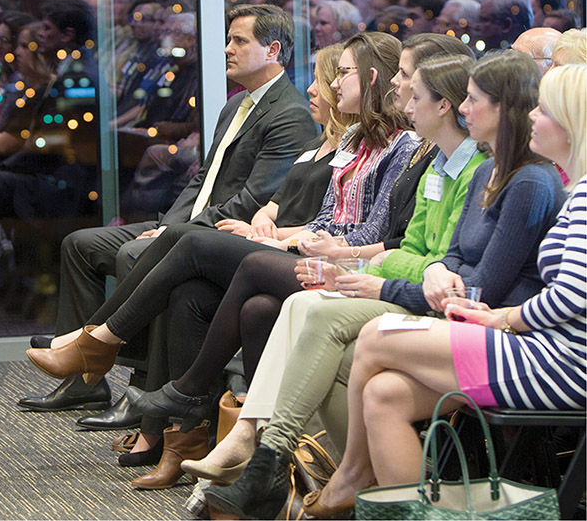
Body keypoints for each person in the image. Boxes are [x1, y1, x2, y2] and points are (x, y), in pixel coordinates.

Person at [28, 33, 415, 487]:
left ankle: (108, 345)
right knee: (201, 293)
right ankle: (190, 440)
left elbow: (370, 234)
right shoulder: (355, 139)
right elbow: (324, 215)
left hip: (339, 267)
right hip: (309, 252)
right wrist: (285, 234)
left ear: (369, 79)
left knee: (191, 242)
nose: (324, 85)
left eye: (341, 73)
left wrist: (288, 242)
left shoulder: (399, 145)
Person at [201, 51, 566, 519]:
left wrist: (382, 283)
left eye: (473, 100)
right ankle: (320, 471)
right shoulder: (483, 173)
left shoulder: (528, 183)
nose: (464, 108)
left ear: (503, 108)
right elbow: (448, 258)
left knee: (331, 329)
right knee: (367, 379)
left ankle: (306, 465)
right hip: (454, 310)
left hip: (492, 331)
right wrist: (428, 271)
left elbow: (480, 290)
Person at [18, 4, 315, 415]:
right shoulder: (236, 105)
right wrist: (171, 226)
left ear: (273, 50)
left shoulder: (291, 114)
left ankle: (140, 385)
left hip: (225, 232)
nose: (227, 49)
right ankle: (82, 380)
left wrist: (180, 232)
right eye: (229, 39)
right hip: (189, 225)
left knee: (133, 252)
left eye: (239, 41)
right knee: (80, 244)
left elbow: (251, 200)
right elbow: (202, 179)